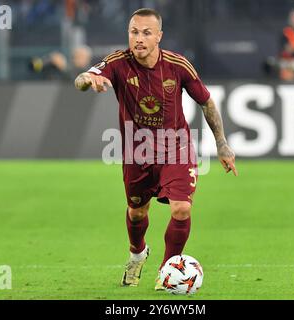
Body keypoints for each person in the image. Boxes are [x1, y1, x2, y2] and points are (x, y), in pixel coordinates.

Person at [74, 8, 237, 290]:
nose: (138, 38)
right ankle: (137, 253)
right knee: (137, 212)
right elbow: (81, 79)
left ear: (159, 36)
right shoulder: (118, 62)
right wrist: (88, 80)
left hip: (177, 149)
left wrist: (222, 145)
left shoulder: (178, 65)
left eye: (146, 33)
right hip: (137, 153)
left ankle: (168, 270)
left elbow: (207, 103)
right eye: (134, 32)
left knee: (182, 208)